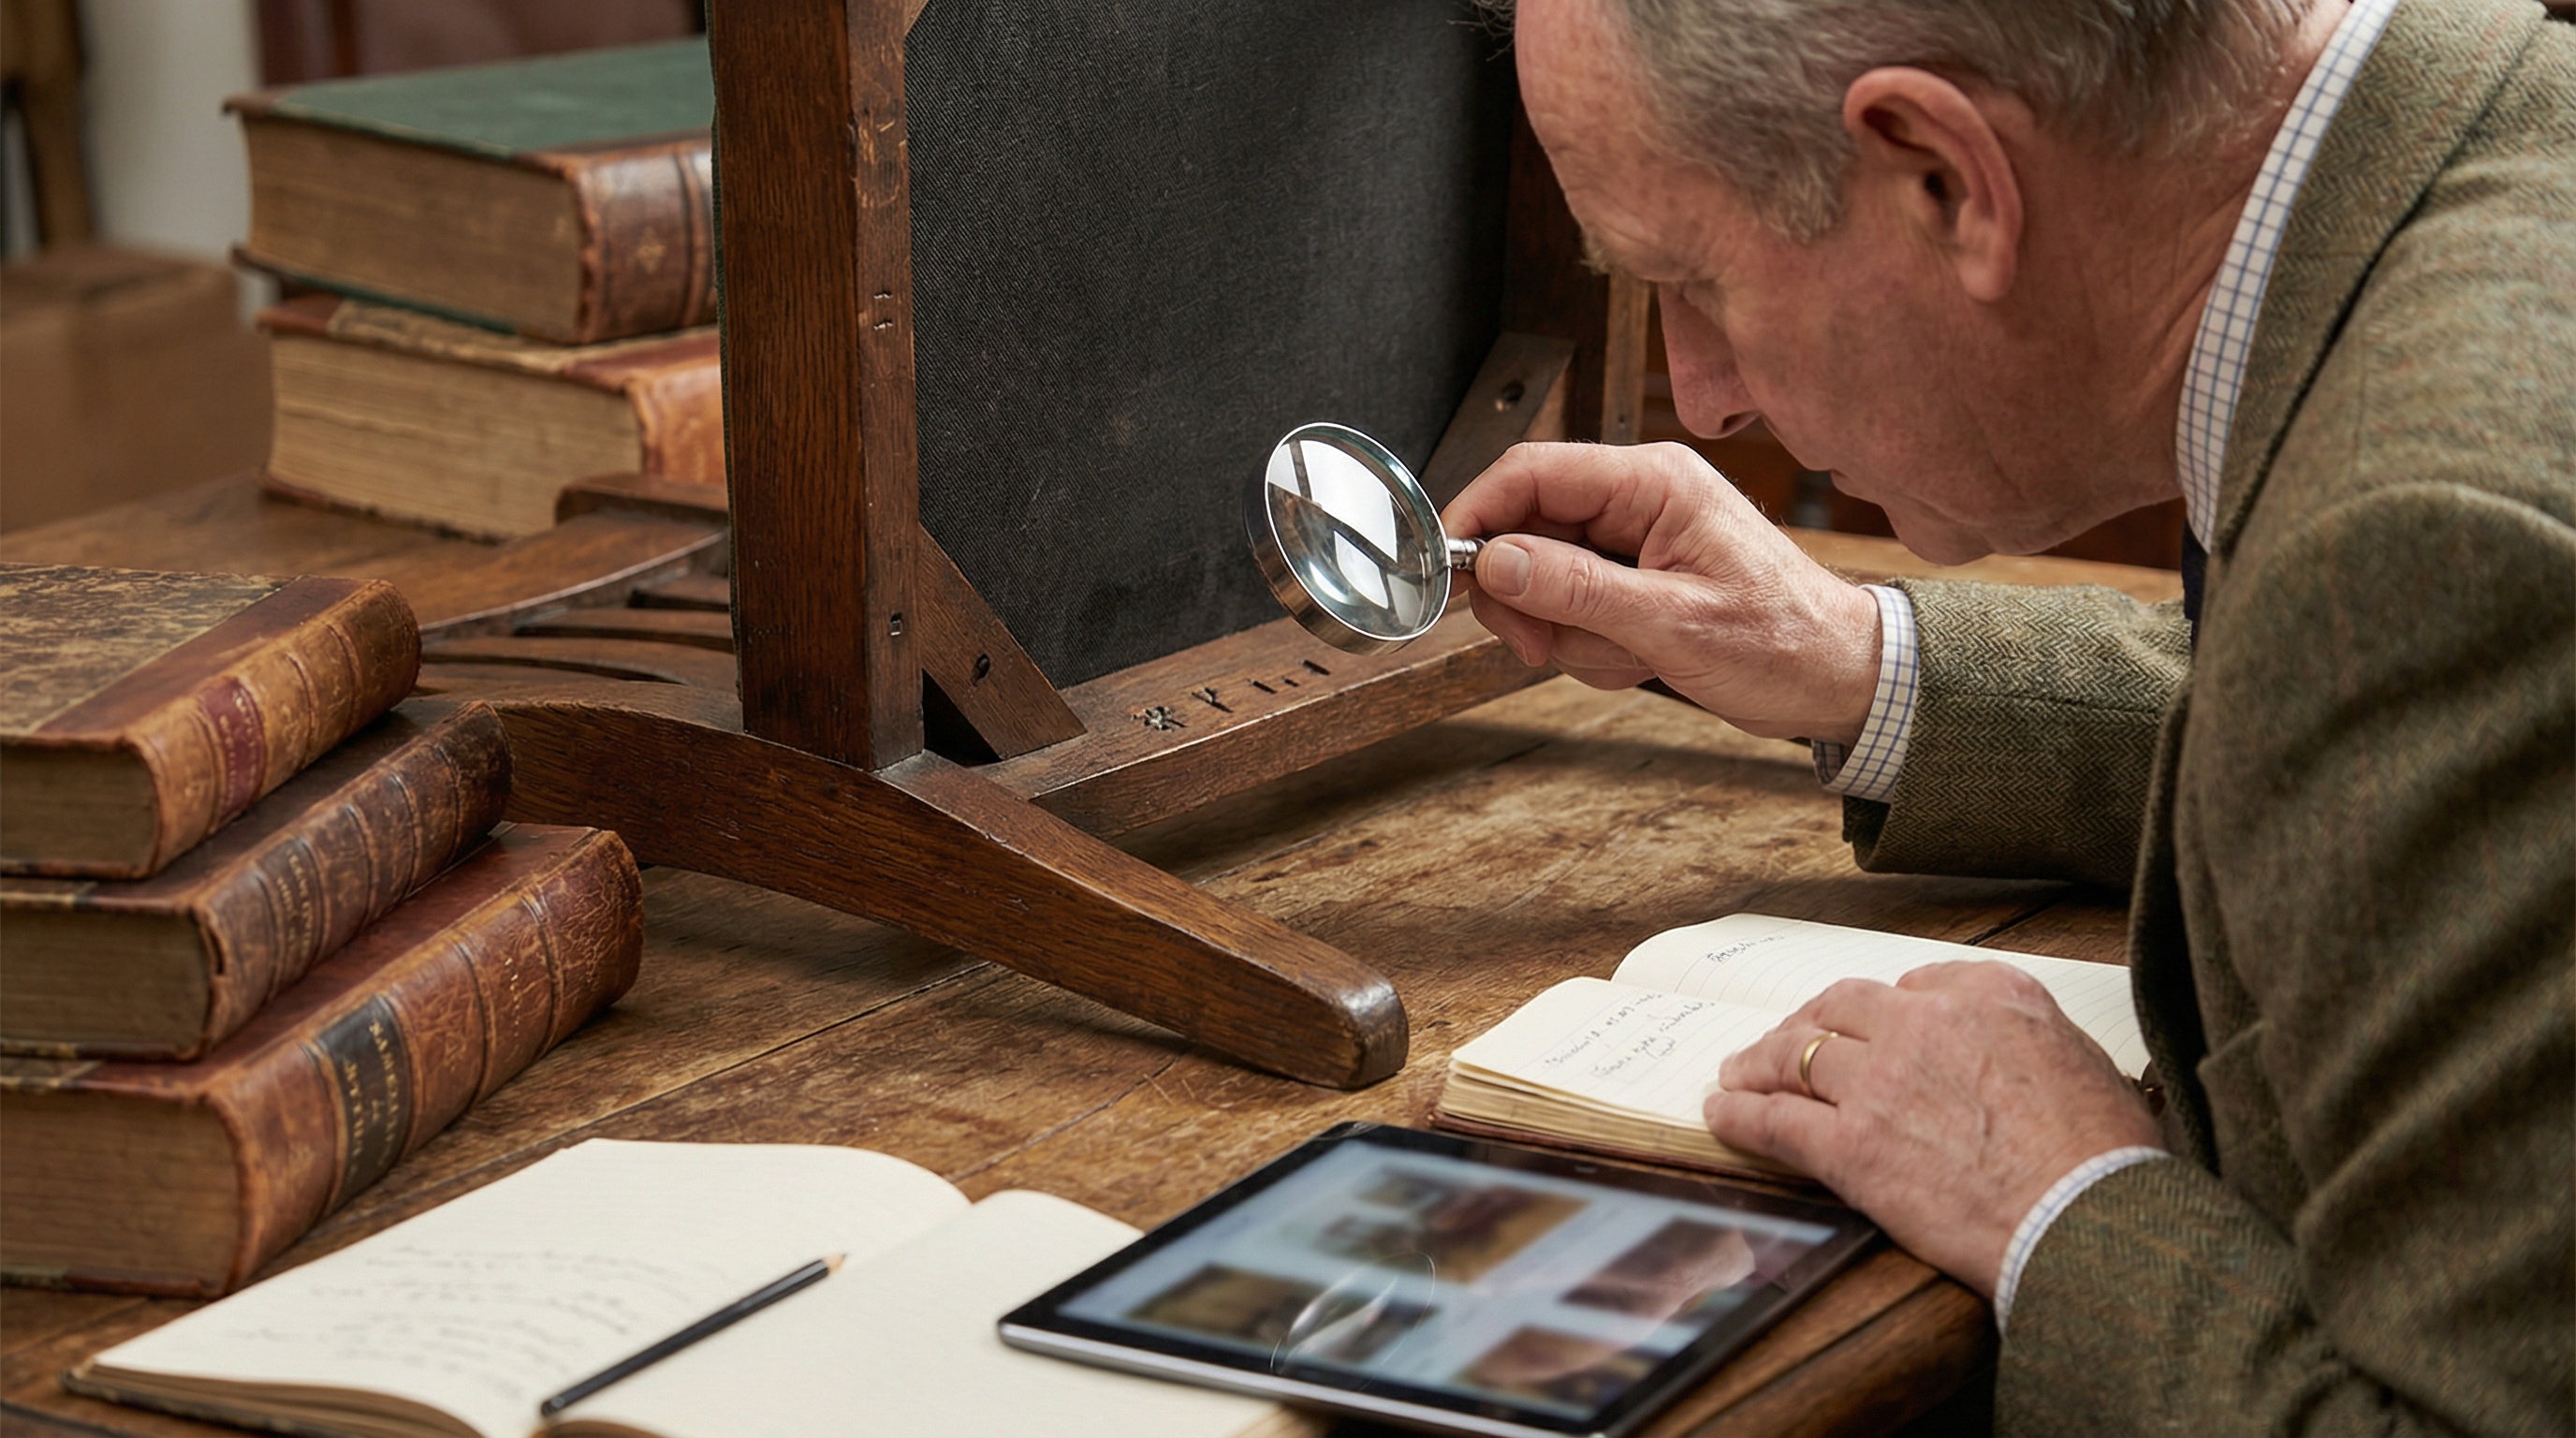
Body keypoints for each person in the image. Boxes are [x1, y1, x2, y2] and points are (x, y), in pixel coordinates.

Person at [1446, 0, 2573, 1430]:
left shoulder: (2434, 543)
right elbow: (2397, 749)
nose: (1706, 398)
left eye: (1695, 280)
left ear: (1944, 179)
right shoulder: (2512, 142)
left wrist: (2059, 1197)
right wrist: (1855, 659)